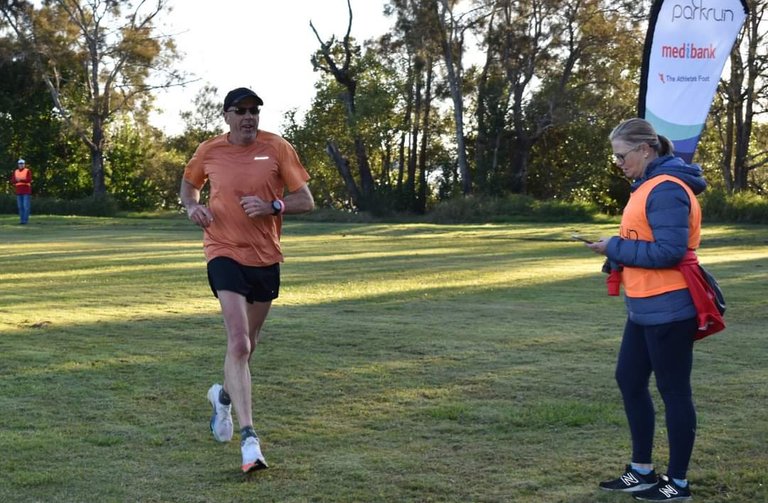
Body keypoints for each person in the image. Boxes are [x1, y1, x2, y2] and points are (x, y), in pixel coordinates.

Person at [179, 87, 315, 474]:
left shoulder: (278, 148)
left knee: (248, 347)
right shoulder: (210, 151)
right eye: (240, 111)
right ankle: (249, 440)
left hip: (265, 257)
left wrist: (274, 206)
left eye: (254, 111)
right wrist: (192, 207)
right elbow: (189, 185)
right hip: (222, 250)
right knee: (237, 341)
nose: (249, 117)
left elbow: (306, 199)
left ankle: (222, 397)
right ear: (226, 115)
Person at [585, 118, 710, 502]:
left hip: (670, 306)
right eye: (616, 157)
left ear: (645, 150)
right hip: (643, 305)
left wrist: (616, 248)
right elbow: (645, 240)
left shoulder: (667, 189)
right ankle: (642, 471)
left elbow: (670, 252)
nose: (619, 163)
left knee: (674, 391)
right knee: (629, 379)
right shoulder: (645, 187)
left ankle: (678, 483)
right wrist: (616, 257)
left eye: (623, 156)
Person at [11, 159, 32, 224]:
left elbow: (29, 180)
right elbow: (13, 181)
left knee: (26, 206)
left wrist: (20, 180)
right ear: (18, 164)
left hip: (26, 191)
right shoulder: (16, 171)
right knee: (20, 207)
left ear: (24, 164)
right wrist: (21, 180)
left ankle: (25, 221)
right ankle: (22, 221)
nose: (21, 165)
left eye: (22, 163)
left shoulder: (27, 171)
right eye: (20, 164)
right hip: (18, 191)